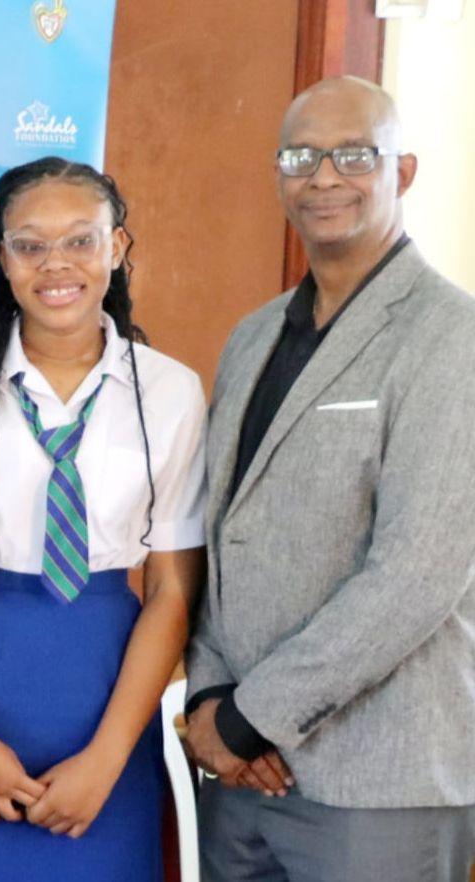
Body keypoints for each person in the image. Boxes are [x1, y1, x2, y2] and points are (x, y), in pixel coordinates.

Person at [0, 158, 206, 881]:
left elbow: (173, 591)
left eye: (81, 240)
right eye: (30, 245)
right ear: (3, 258)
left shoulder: (170, 392)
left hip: (105, 697)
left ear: (117, 247)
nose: (57, 264)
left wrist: (109, 757)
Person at [183, 75, 475, 882]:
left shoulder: (453, 337)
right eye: (300, 157)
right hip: (238, 781)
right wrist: (208, 699)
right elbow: (219, 535)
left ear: (402, 172)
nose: (323, 178)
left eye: (354, 155)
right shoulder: (252, 336)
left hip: (378, 783)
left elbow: (418, 574)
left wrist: (250, 719)